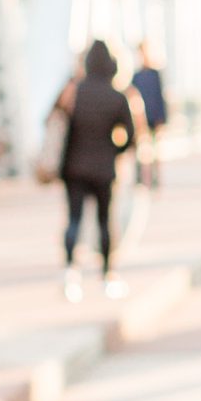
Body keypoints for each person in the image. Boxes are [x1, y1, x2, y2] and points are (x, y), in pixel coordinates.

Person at [54, 38, 137, 301]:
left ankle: (70, 271)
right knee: (104, 221)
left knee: (74, 220)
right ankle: (107, 274)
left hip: (74, 168)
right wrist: (114, 151)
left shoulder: (74, 92)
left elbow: (54, 120)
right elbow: (132, 137)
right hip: (104, 169)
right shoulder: (117, 97)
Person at [130, 42, 169, 189]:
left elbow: (160, 97)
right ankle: (140, 178)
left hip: (154, 117)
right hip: (141, 120)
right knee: (141, 151)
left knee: (155, 151)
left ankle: (155, 179)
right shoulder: (136, 76)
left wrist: (162, 120)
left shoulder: (155, 74)